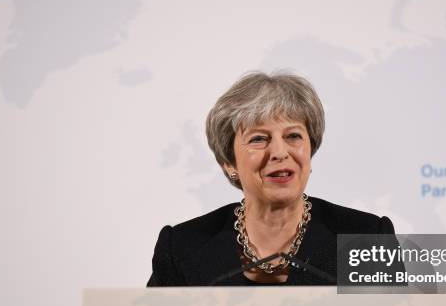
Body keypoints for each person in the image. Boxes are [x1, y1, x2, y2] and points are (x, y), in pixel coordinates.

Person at [147, 71, 400, 286]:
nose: (279, 152)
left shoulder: (367, 237)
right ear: (229, 162)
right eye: (259, 139)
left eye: (293, 136)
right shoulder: (181, 247)